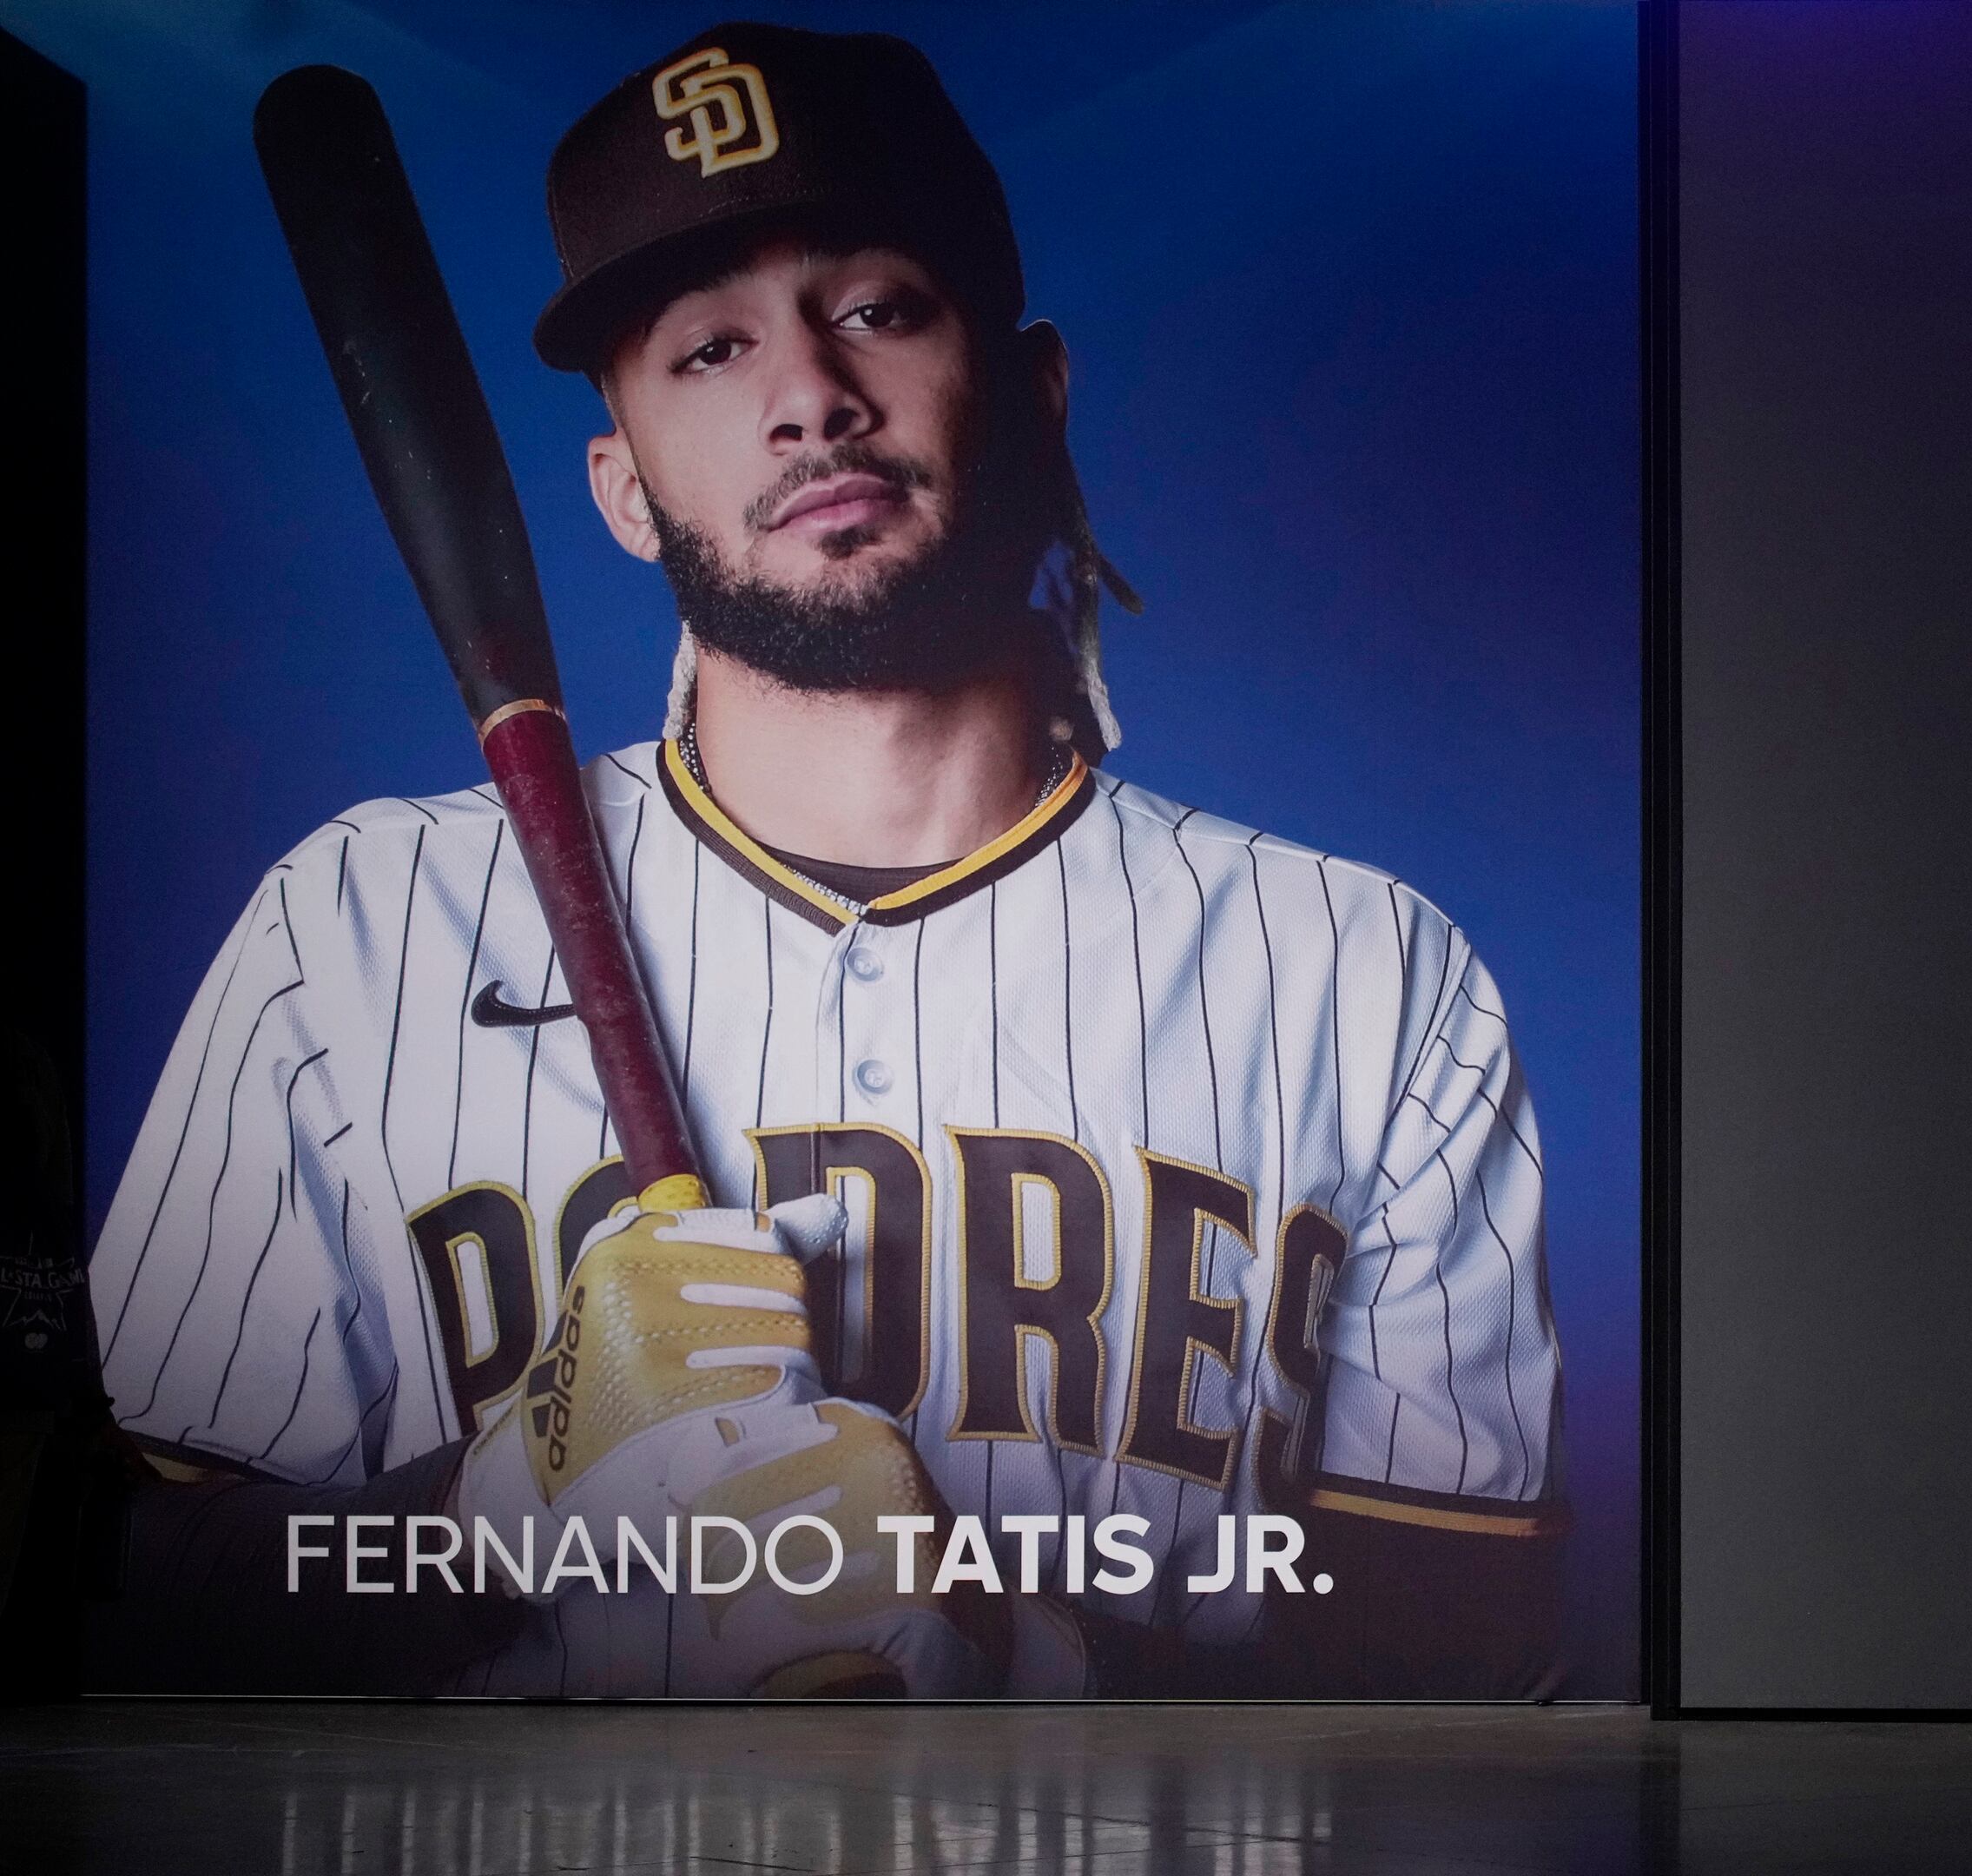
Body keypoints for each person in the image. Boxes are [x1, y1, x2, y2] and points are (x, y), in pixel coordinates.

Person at [87, 23, 1563, 1699]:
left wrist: (1025, 1654)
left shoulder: (1368, 975)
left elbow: (1477, 1634)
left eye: (874, 307)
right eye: (708, 350)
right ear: (622, 489)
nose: (808, 397)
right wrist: (501, 1498)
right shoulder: (353, 936)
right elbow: (112, 1601)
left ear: (1031, 389)